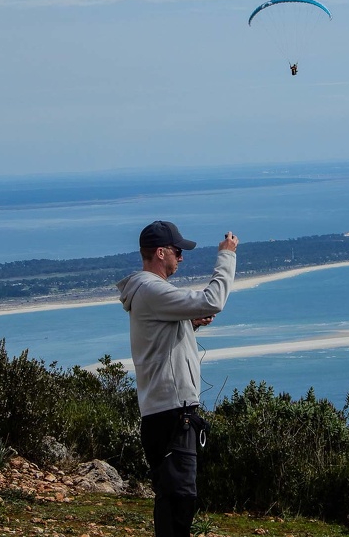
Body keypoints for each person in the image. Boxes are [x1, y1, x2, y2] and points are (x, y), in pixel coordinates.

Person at [117, 220, 238, 537]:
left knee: (175, 496)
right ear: (160, 253)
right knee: (179, 497)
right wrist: (226, 256)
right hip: (173, 413)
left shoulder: (148, 293)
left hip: (165, 411)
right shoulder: (152, 289)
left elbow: (159, 341)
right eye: (177, 251)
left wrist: (189, 325)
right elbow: (214, 300)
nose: (181, 257)